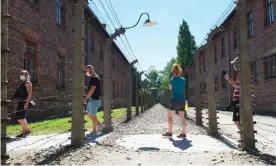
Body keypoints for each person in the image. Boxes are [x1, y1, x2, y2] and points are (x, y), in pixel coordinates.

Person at [222, 57, 254, 130]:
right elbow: (236, 86)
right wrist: (228, 79)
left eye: (236, 64)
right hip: (239, 101)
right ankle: (244, 134)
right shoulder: (242, 76)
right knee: (238, 120)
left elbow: (243, 88)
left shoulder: (245, 76)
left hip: (241, 101)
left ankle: (244, 134)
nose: (235, 66)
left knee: (237, 120)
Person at [162, 64, 187, 138]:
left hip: (175, 100)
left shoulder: (172, 80)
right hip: (182, 101)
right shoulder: (183, 80)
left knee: (170, 116)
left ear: (173, 71)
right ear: (180, 71)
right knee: (182, 117)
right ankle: (183, 133)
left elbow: (170, 89)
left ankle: (169, 132)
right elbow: (182, 86)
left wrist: (172, 81)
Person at [84, 65, 104, 133]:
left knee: (92, 115)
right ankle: (99, 125)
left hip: (95, 100)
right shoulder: (92, 78)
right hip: (92, 99)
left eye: (86, 70)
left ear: (90, 70)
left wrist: (86, 97)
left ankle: (94, 131)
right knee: (88, 114)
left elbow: (92, 89)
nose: (85, 72)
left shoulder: (95, 78)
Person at [13, 70, 32, 138]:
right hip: (20, 102)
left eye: (22, 74)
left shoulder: (28, 83)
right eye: (20, 74)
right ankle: (24, 133)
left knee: (19, 118)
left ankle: (27, 130)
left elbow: (29, 94)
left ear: (26, 75)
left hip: (24, 103)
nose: (21, 75)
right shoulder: (23, 83)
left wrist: (26, 103)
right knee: (22, 117)